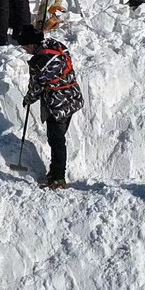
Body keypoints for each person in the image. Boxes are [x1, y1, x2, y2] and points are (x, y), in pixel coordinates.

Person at [22, 30, 84, 189]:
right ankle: (55, 171)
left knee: (56, 140)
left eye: (25, 47)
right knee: (58, 138)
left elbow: (36, 87)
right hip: (73, 98)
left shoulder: (39, 62)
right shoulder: (56, 46)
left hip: (58, 105)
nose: (24, 51)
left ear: (31, 44)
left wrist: (28, 99)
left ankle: (58, 178)